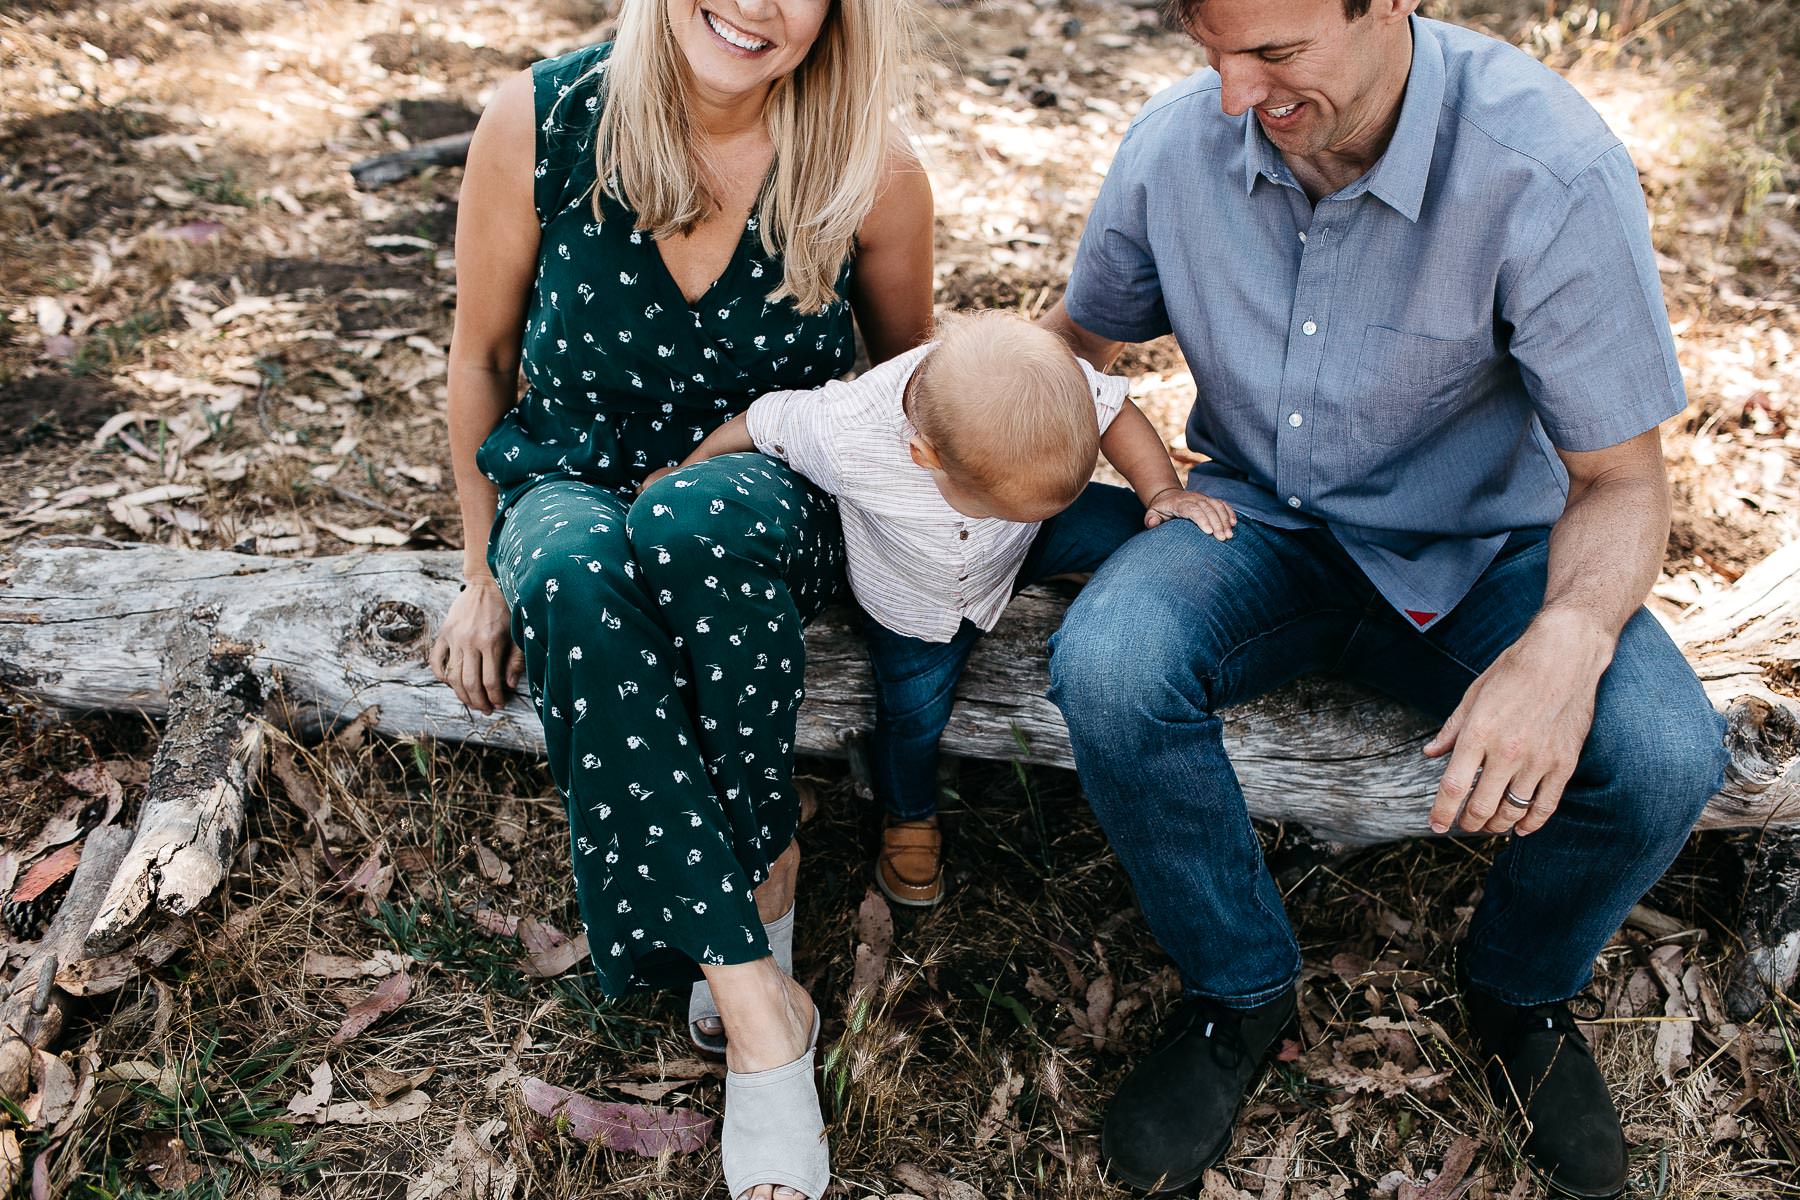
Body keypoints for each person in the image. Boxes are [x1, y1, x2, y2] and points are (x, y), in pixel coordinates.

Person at [1038, 1, 1730, 1196]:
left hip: (1485, 551)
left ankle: (1521, 995)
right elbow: (1071, 351)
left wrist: (1566, 640)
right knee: (1110, 664)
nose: (1235, 97)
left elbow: (1622, 482)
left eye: (1276, 54)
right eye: (1214, 54)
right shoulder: (1176, 145)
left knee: (1665, 756)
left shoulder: (1546, 167)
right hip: (1251, 521)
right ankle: (1239, 992)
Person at [426, 2, 933, 1196]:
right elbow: (482, 357)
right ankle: (756, 987)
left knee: (689, 517)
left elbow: (908, 396)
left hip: (764, 498)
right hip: (572, 470)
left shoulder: (872, 163)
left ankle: (772, 877)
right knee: (567, 566)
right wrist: (479, 567)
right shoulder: (541, 118)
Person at [654, 311, 1235, 907]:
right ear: (925, 455)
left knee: (1153, 530)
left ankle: (1171, 585)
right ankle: (908, 813)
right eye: (1007, 504)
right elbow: (764, 419)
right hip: (916, 601)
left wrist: (1162, 491)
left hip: (1025, 543)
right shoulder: (847, 432)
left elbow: (1114, 413)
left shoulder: (1034, 385)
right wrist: (686, 471)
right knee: (913, 716)